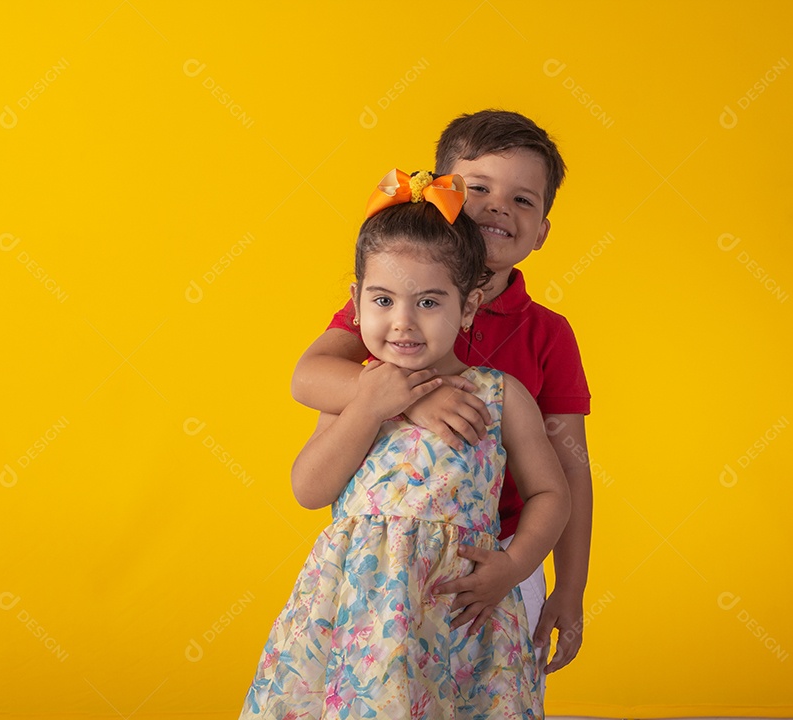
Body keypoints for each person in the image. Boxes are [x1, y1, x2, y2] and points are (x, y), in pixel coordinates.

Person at [239, 168, 571, 719]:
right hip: (360, 611)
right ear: (356, 300)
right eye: (383, 300)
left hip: (461, 610)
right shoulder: (357, 389)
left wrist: (514, 567)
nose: (403, 323)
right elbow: (309, 488)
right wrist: (370, 404)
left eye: (429, 303)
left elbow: (550, 494)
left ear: (468, 307)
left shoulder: (499, 396)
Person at [291, 111, 592, 678]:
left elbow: (569, 471)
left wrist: (568, 589)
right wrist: (411, 396)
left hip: (499, 557)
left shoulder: (548, 333)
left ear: (543, 230)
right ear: (442, 194)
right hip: (375, 576)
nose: (499, 207)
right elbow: (309, 375)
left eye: (524, 200)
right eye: (478, 189)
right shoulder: (392, 305)